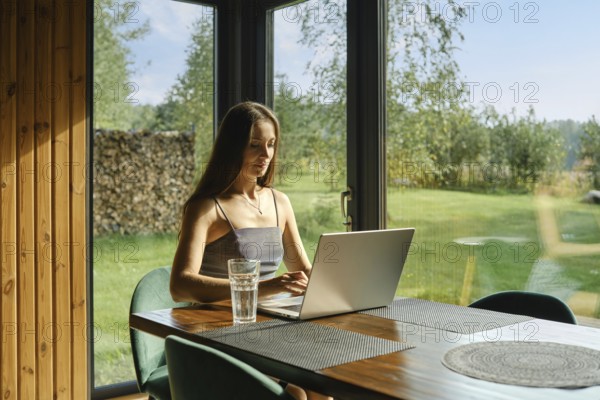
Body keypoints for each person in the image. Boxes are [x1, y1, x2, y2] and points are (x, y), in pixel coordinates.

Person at [170, 101, 331, 400]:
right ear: (233, 147)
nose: (265, 155)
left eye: (270, 144)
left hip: (266, 326)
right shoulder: (206, 207)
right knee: (296, 393)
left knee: (323, 384)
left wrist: (339, 290)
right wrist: (265, 287)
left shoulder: (279, 202)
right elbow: (180, 285)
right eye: (255, 144)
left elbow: (303, 269)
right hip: (217, 332)